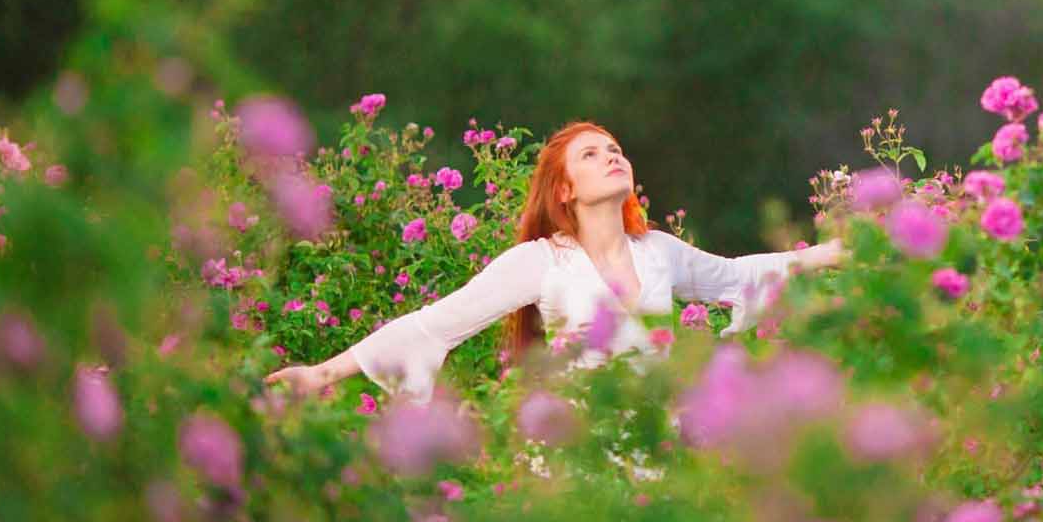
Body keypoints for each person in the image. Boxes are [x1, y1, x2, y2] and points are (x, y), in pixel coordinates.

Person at [264, 121, 844, 404]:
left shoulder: (660, 252)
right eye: (591, 155)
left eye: (615, 150)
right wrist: (321, 374)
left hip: (659, 453)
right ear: (565, 190)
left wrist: (838, 251)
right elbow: (431, 323)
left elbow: (740, 275)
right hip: (576, 461)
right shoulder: (540, 263)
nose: (612, 157)